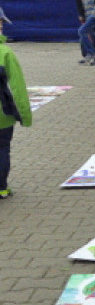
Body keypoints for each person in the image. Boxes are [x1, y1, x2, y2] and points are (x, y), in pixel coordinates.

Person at [0, 17, 32, 199]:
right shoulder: (5, 52)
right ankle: (2, 187)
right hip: (2, 113)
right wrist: (25, 115)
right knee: (2, 149)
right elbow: (18, 87)